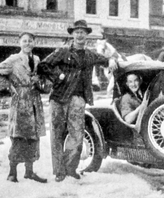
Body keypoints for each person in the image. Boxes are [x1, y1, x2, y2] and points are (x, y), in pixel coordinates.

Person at [37, 20, 118, 182]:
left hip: (78, 100)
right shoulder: (62, 51)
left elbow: (105, 59)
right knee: (57, 135)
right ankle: (59, 171)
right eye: (77, 32)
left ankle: (70, 168)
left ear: (86, 35)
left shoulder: (90, 55)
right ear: (72, 34)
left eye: (83, 32)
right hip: (59, 98)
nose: (80, 35)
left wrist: (111, 60)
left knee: (77, 135)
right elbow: (43, 66)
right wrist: (58, 75)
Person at [0, 32, 47, 183]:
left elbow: (40, 77)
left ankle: (29, 171)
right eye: (24, 41)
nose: (27, 43)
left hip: (34, 101)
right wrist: (8, 86)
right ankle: (12, 172)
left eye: (30, 41)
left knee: (33, 136)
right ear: (19, 43)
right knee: (18, 136)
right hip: (20, 100)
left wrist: (38, 80)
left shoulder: (36, 59)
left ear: (34, 42)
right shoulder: (13, 59)